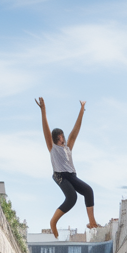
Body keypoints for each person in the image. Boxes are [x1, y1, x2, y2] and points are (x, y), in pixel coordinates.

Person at [36, 97, 98, 238]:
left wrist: (82, 110)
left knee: (88, 190)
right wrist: (43, 110)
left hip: (71, 175)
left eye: (61, 137)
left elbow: (76, 130)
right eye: (58, 138)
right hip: (60, 176)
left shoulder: (68, 147)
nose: (61, 140)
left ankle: (92, 221)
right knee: (72, 198)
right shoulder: (52, 147)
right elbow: (46, 129)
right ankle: (53, 221)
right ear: (55, 139)